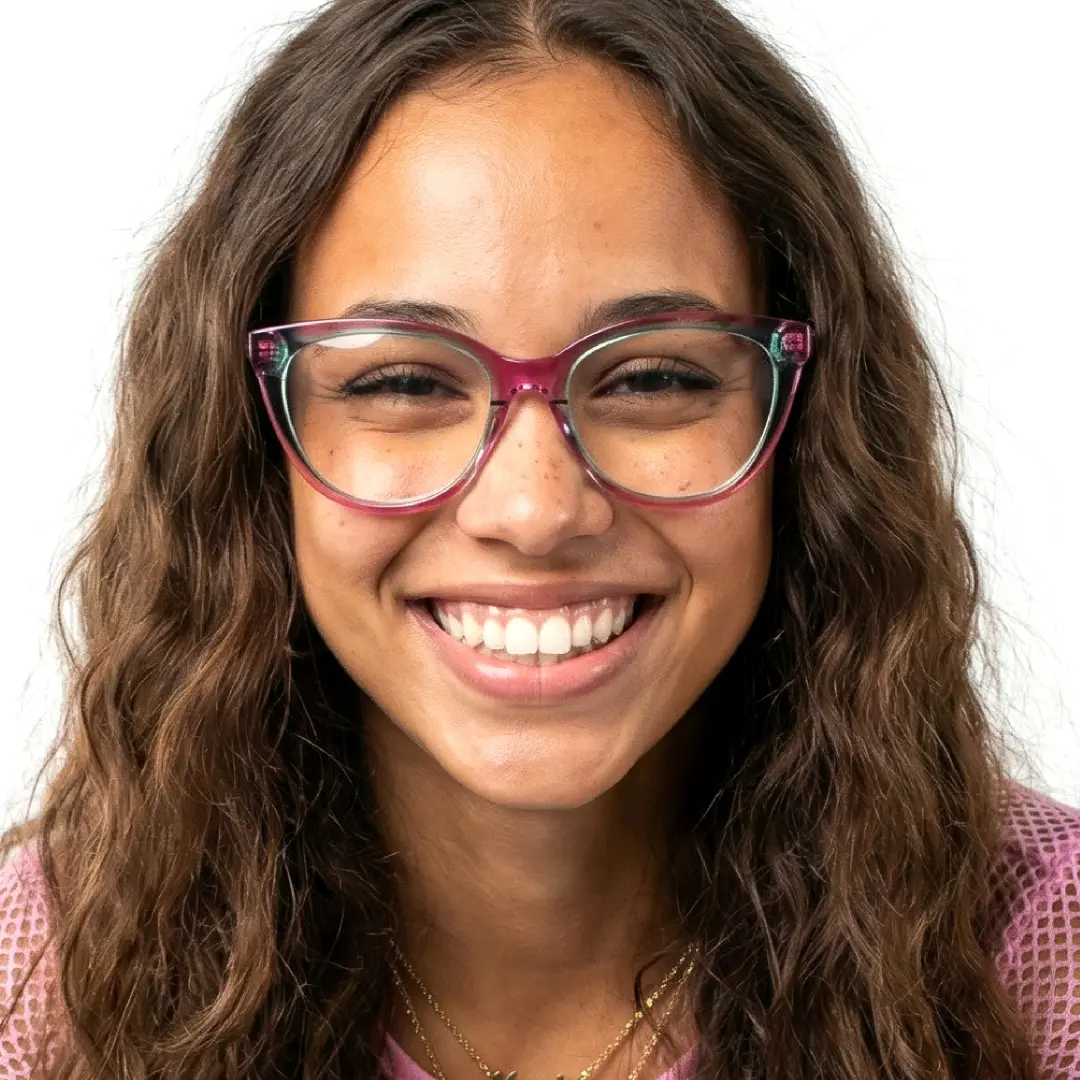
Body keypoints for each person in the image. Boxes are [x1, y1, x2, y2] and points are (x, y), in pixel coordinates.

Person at [1, 0, 1078, 1077]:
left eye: (655, 376)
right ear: (249, 441)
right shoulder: (37, 983)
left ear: (809, 427)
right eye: (404, 379)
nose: (535, 509)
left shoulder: (1045, 955)